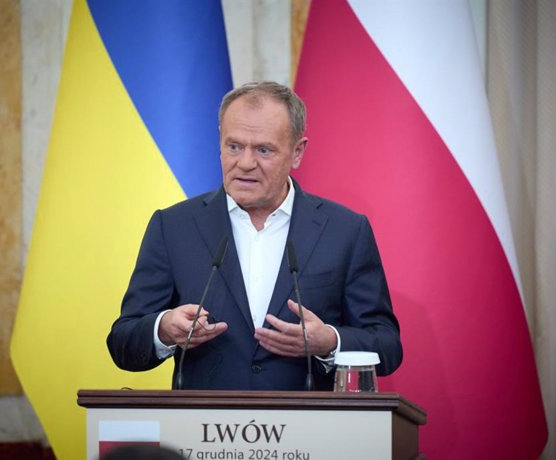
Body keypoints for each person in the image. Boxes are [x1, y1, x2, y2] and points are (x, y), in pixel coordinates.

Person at [107, 81, 402, 390]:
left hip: (310, 432)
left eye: (263, 150)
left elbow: (387, 344)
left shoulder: (345, 231)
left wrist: (329, 341)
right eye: (234, 147)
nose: (245, 163)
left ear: (297, 152)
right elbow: (123, 343)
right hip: (202, 431)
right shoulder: (173, 227)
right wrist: (164, 330)